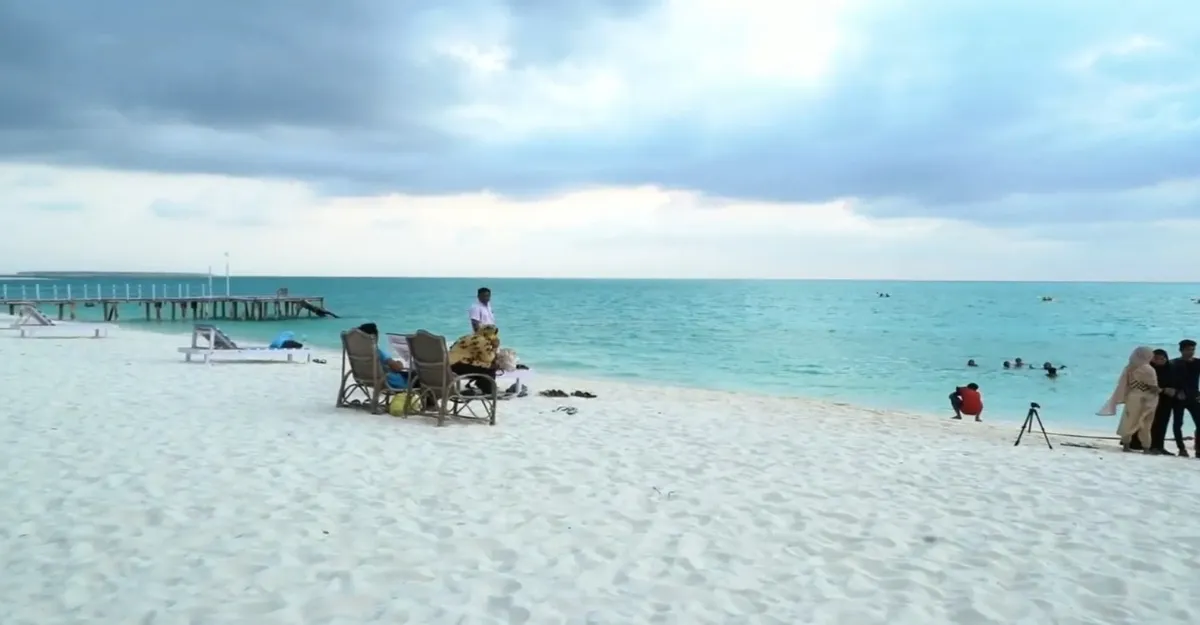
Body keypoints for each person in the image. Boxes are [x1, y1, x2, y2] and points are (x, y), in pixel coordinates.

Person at [1097, 346, 1160, 453]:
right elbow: (1153, 387)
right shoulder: (1149, 369)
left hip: (1132, 397)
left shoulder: (1129, 368)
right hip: (1147, 398)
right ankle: (1146, 448)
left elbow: (1123, 384)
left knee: (1128, 421)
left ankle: (1126, 445)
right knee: (1145, 423)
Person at [1169, 339, 1200, 457]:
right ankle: (1181, 448)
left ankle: (1198, 449)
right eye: (1188, 350)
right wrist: (1176, 392)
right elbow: (1169, 380)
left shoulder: (1198, 363)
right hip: (1179, 397)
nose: (1191, 352)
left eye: (1192, 349)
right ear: (1181, 350)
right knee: (1178, 423)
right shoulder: (1174, 363)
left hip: (1194, 396)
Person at [449, 324, 501, 395]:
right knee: (491, 367)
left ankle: (482, 385)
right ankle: (487, 390)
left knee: (484, 365)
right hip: (459, 365)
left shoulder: (468, 337)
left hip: (451, 365)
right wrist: (495, 347)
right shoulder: (482, 340)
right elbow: (488, 358)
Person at [357, 323, 409, 389]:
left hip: (366, 380)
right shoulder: (377, 352)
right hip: (393, 383)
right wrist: (400, 363)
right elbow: (396, 368)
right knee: (417, 378)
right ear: (374, 336)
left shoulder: (360, 353)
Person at [1149, 348, 1178, 455]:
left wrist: (1172, 391)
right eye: (1156, 358)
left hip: (1167, 399)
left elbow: (1176, 383)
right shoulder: (1149, 369)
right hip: (1151, 399)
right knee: (1152, 422)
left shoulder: (1171, 368)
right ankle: (1151, 445)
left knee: (1163, 423)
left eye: (1162, 358)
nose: (1159, 361)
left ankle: (1160, 446)